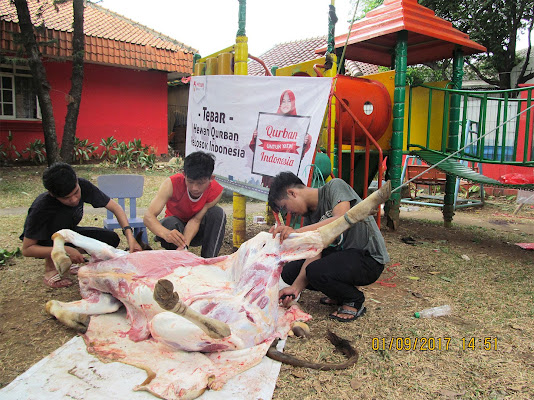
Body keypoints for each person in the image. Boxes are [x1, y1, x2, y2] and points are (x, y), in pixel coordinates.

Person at [268, 172, 389, 322]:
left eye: (285, 207)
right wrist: (295, 288)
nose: (290, 213)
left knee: (316, 271)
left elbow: (340, 218)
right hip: (344, 259)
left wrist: (296, 232)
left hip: (368, 260)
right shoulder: (310, 217)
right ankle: (339, 293)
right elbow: (314, 253)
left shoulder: (335, 186)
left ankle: (353, 299)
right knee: (291, 271)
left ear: (292, 193)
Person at [21, 162, 142, 289]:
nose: (74, 200)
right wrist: (66, 250)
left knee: (110, 239)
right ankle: (51, 267)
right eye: (66, 198)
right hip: (46, 241)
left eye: (76, 192)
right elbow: (27, 249)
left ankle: (66, 260)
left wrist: (130, 237)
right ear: (52, 194)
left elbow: (115, 207)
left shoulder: (83, 185)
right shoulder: (41, 208)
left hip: (69, 234)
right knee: (61, 245)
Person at [144, 151, 226, 258]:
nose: (194, 188)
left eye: (200, 183)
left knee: (218, 213)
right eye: (190, 181)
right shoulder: (171, 184)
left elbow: (196, 220)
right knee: (170, 222)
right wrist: (166, 234)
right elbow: (148, 217)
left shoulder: (216, 191)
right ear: (184, 175)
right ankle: (177, 259)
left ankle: (208, 260)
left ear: (211, 178)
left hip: (197, 231)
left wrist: (185, 244)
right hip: (174, 230)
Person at [249, 90, 311, 187]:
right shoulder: (272, 122)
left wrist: (305, 141)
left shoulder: (298, 125)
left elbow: (300, 154)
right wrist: (257, 136)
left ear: (293, 103)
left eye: (289, 101)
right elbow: (258, 150)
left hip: (287, 173)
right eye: (283, 101)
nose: (286, 104)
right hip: (271, 172)